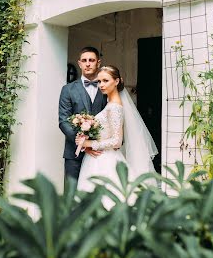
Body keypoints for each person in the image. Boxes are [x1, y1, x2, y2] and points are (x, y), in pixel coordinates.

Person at [76, 65, 158, 207]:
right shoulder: (110, 103)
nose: (101, 85)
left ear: (117, 81)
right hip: (98, 157)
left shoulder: (115, 107)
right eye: (99, 81)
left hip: (106, 160)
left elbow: (116, 141)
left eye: (105, 81)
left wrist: (89, 144)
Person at [58, 46, 107, 184]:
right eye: (84, 60)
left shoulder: (106, 88)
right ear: (79, 63)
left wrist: (95, 144)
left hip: (100, 152)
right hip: (74, 153)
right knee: (72, 197)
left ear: (98, 62)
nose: (87, 63)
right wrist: (84, 144)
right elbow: (63, 121)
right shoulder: (67, 90)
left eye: (91, 60)